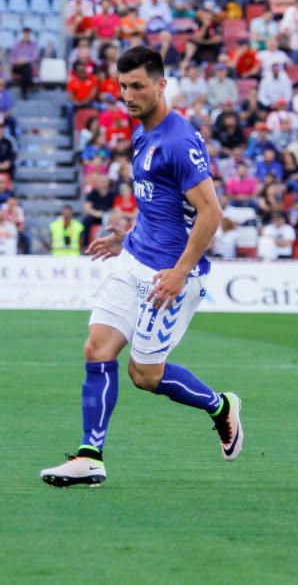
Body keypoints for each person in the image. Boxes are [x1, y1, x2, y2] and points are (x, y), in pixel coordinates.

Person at [40, 46, 242, 488]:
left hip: (169, 276)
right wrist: (125, 239)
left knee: (144, 375)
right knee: (97, 349)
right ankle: (90, 455)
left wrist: (180, 272)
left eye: (138, 86)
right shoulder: (141, 133)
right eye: (123, 87)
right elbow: (161, 207)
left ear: (161, 84)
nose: (128, 95)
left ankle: (220, 407)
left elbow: (211, 213)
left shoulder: (178, 141)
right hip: (134, 259)